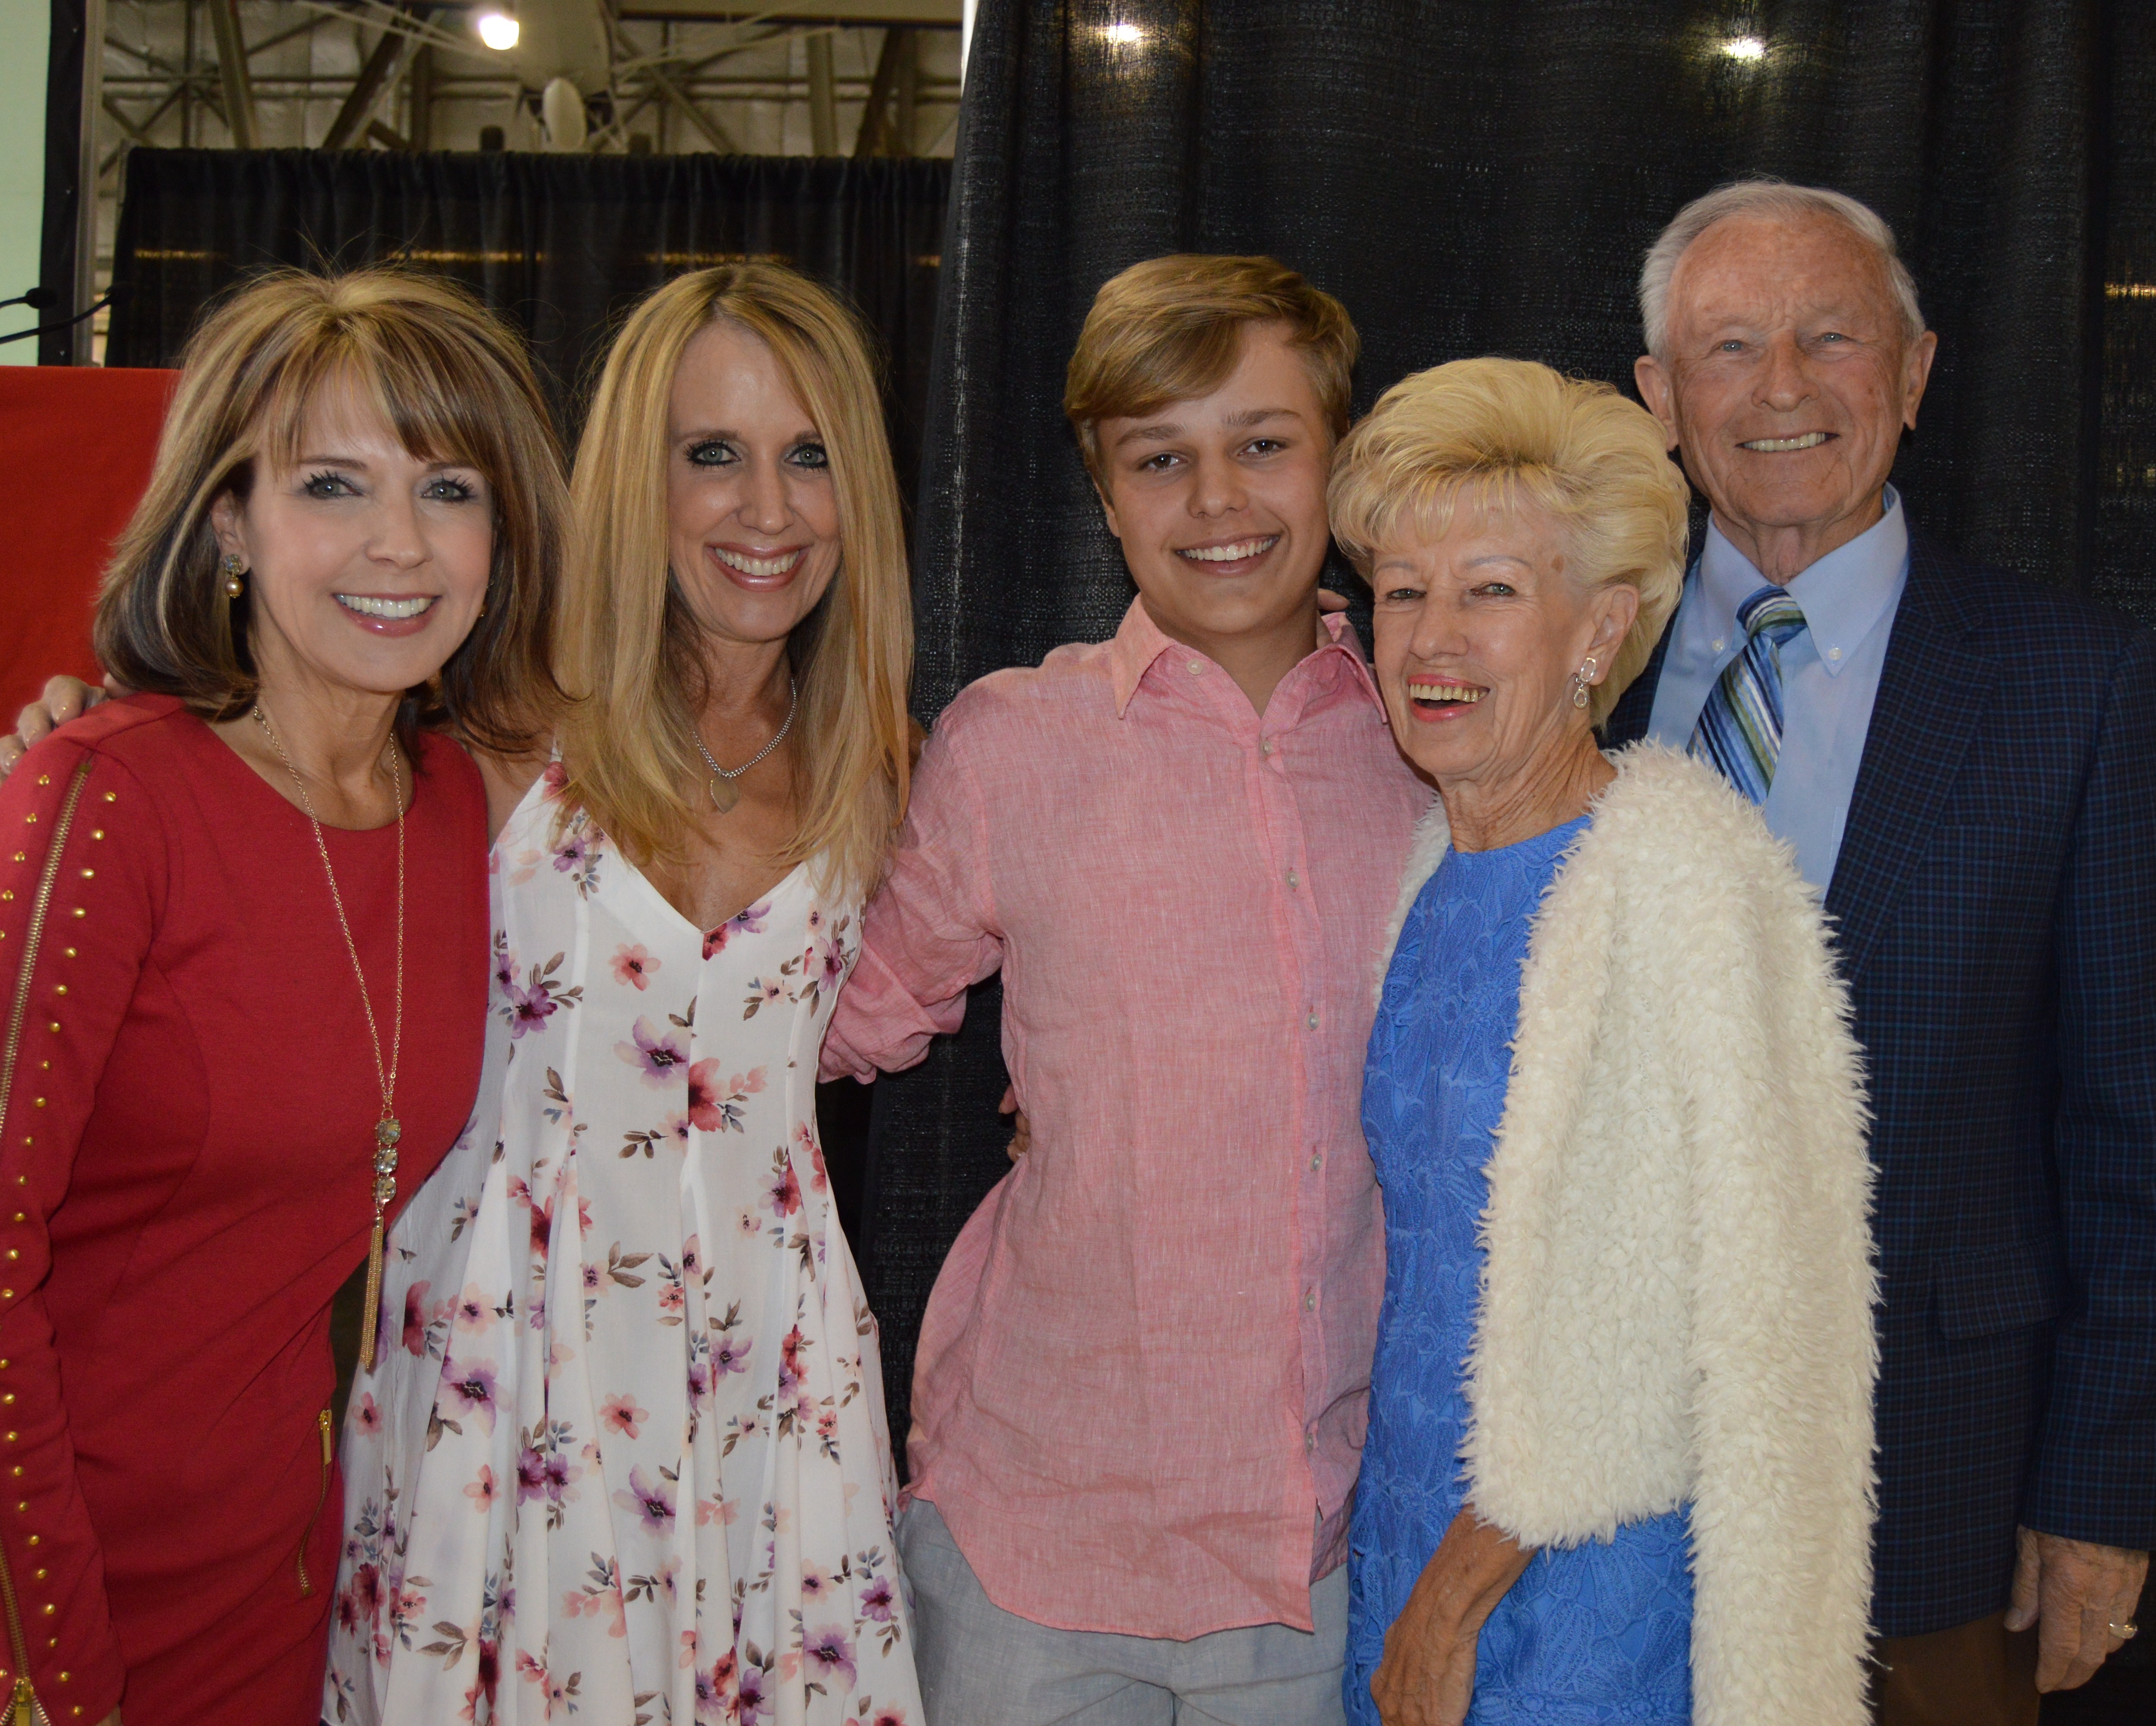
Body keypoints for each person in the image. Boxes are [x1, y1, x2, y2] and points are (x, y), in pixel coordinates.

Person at [820, 255, 1428, 1722]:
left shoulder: (1434, 745)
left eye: (1263, 444)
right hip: (1034, 1536)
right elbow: (834, 1023)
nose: (1217, 501)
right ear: (1105, 497)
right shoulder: (1010, 744)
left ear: (1337, 465)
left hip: (1324, 1556)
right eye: (1162, 459)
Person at [320, 262, 925, 1726]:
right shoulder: (492, 723)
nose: (764, 511)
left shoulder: (883, 760)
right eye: (710, 454)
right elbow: (255, 797)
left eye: (808, 456)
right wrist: (78, 718)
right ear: (630, 477)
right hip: (505, 1368)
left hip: (767, 1380)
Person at [1607, 180, 2156, 1724]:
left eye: (1829, 336)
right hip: (1603, 1485)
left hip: (1943, 1498)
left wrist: (2107, 1488)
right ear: (1659, 398)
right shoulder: (1561, 664)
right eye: (1726, 347)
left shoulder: (2082, 687)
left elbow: (2136, 1128)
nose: (1779, 387)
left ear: (1913, 374)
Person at [0, 268, 565, 1725]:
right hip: (59, 1582)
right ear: (231, 521)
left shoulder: (453, 802)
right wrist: (58, 1670)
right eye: (332, 484)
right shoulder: (104, 797)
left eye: (450, 488)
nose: (400, 544)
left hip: (288, 1581)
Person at [1331, 355, 1876, 1726]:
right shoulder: (1429, 875)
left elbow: (1678, 1318)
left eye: (1491, 593)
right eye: (1403, 592)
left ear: (1599, 630)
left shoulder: (1679, 882)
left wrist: (1455, 1602)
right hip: (1405, 1530)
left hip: (1572, 1584)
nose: (1430, 639)